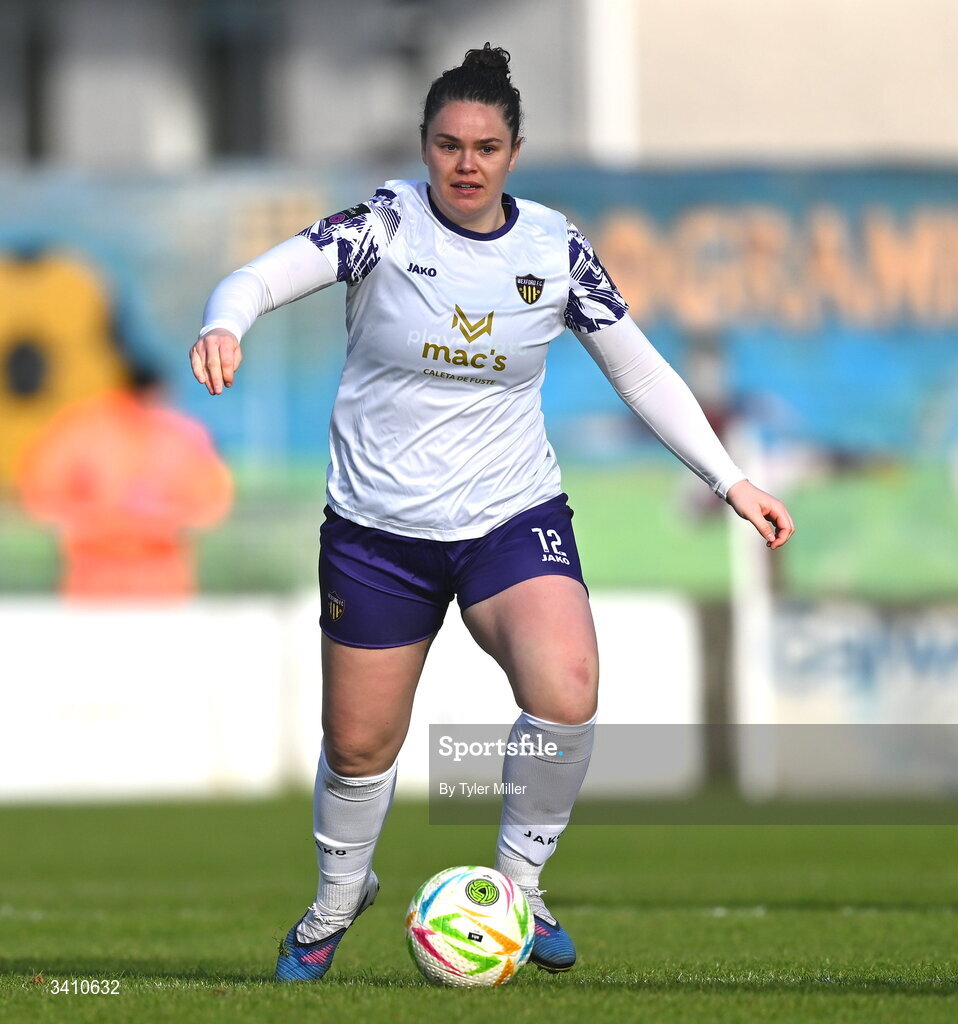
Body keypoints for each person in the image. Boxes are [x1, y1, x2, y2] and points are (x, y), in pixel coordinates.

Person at [190, 44, 794, 982]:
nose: (465, 163)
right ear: (423, 147)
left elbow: (636, 367)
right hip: (378, 531)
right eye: (447, 144)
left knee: (568, 684)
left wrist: (732, 480)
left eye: (485, 145)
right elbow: (257, 278)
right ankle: (336, 898)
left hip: (510, 516)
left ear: (514, 152)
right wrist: (224, 324)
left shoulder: (553, 248)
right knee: (359, 746)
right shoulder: (382, 227)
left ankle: (517, 889)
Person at [18, 365, 233, 599]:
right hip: (98, 573)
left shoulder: (179, 434)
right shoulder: (85, 428)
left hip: (157, 574)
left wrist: (159, 519)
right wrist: (97, 520)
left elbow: (211, 503)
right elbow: (40, 492)